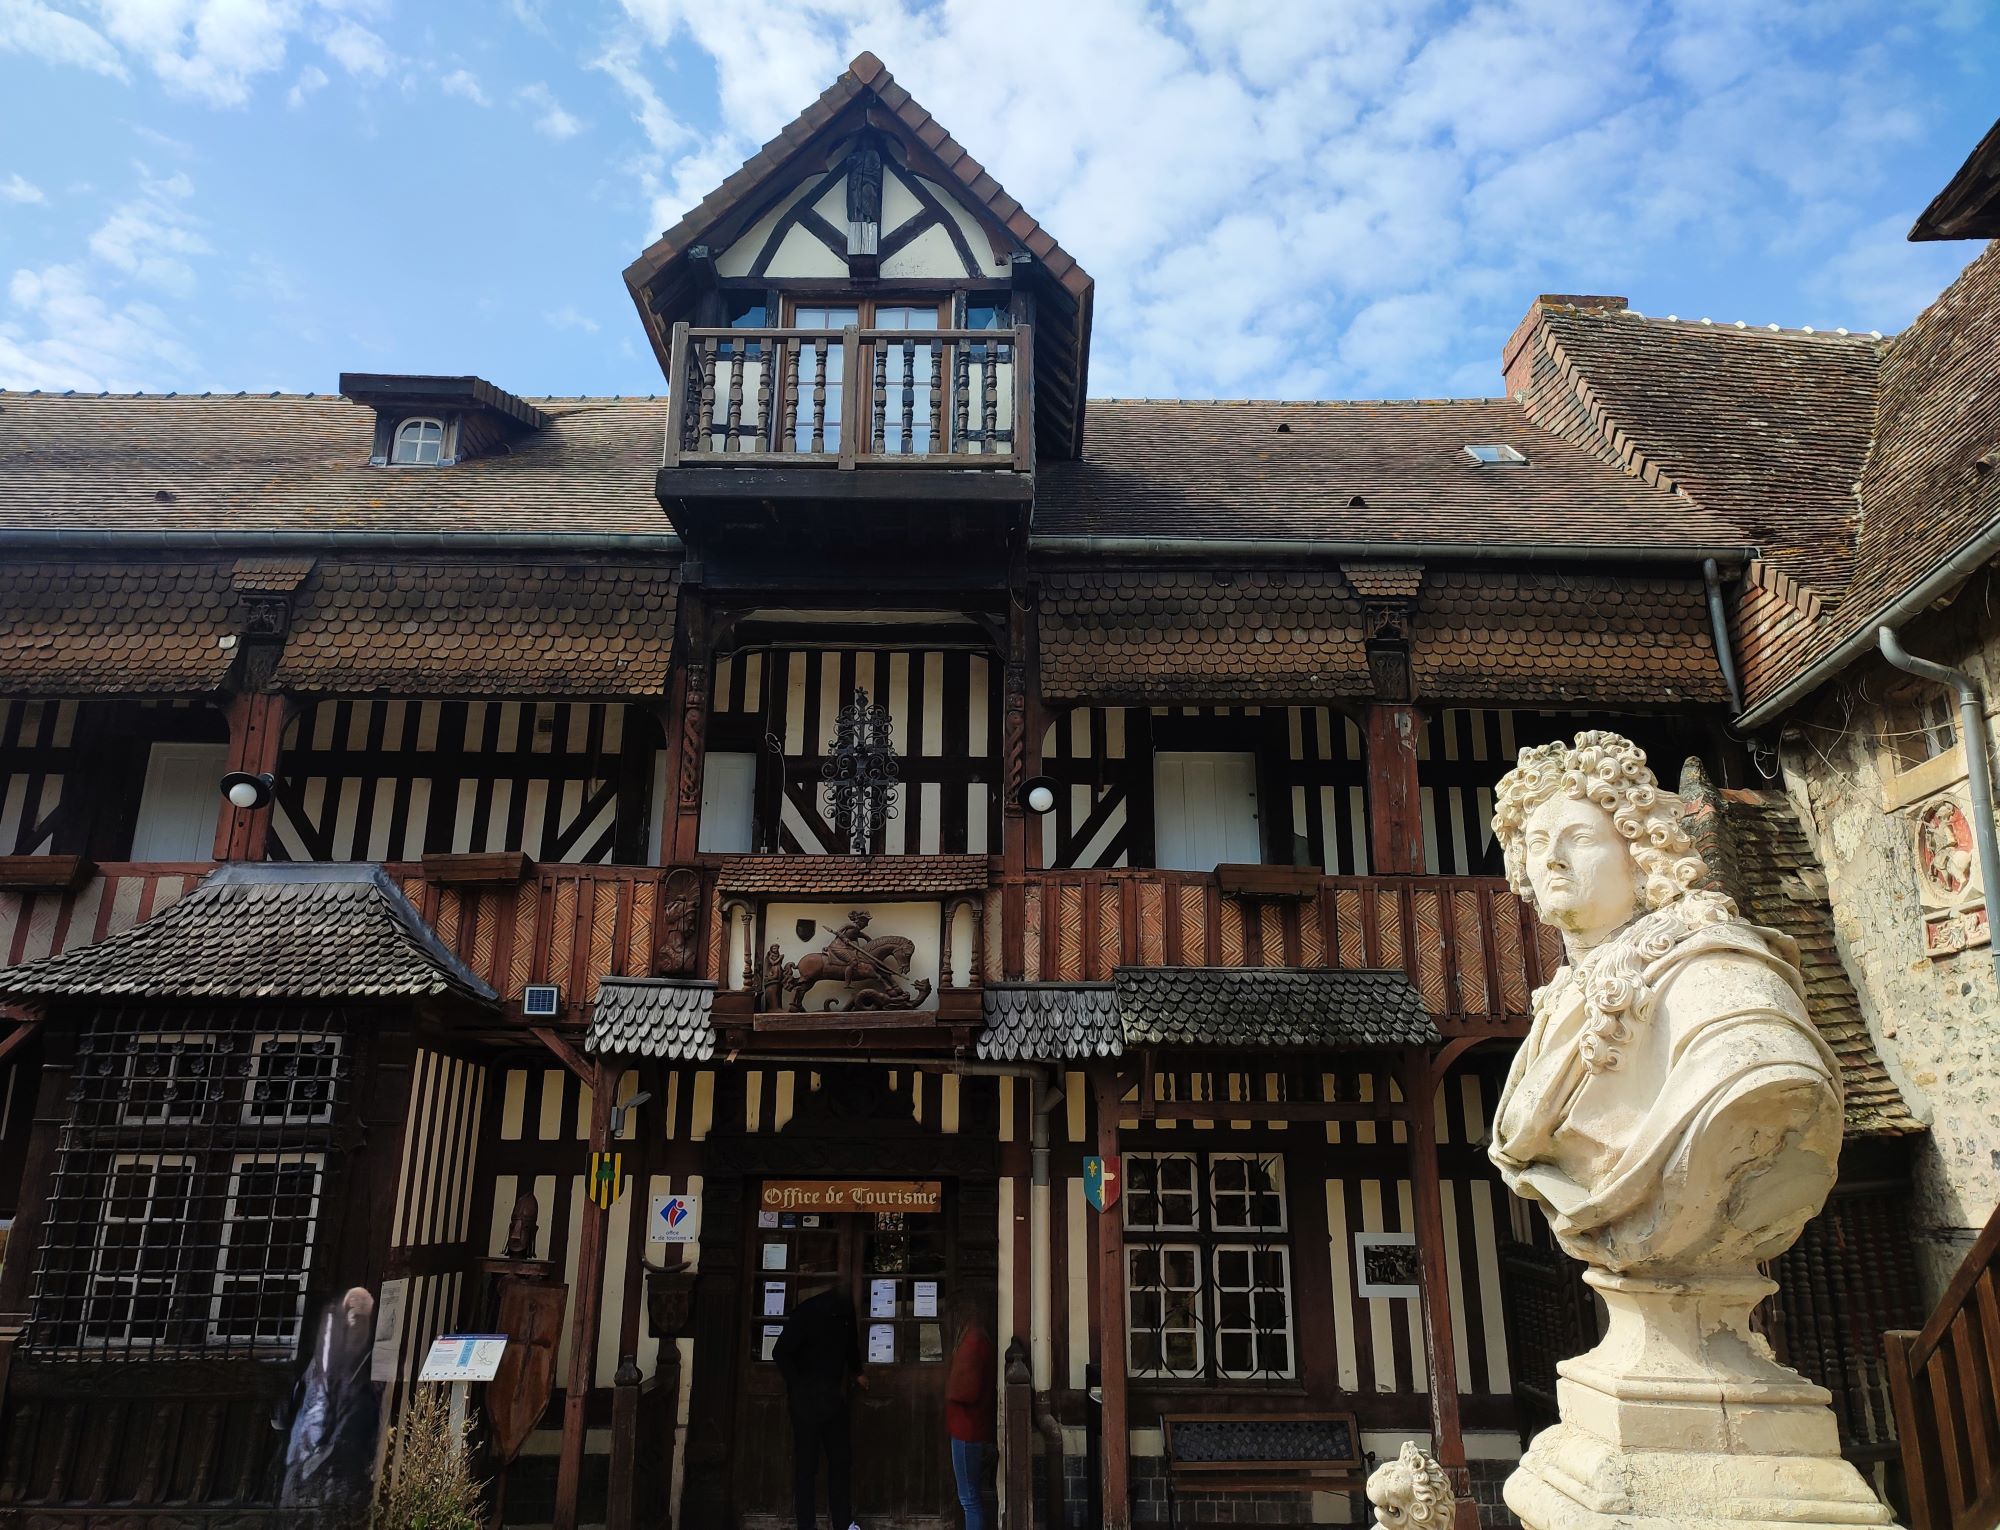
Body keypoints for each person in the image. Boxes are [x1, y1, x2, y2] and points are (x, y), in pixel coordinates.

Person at [773, 1278, 866, 1530]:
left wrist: (857, 1371)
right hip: (808, 1402)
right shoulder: (808, 1313)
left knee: (838, 1462)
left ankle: (842, 1523)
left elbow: (850, 1347)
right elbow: (780, 1352)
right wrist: (800, 1386)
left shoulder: (843, 1311)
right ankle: (809, 1524)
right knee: (808, 1466)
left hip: (830, 1399)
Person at [943, 1291, 996, 1530]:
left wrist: (947, 1387)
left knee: (969, 1498)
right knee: (971, 1496)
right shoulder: (979, 1338)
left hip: (966, 1429)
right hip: (972, 1426)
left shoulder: (972, 1342)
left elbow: (967, 1392)